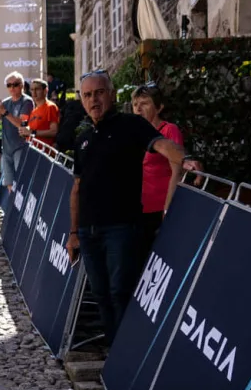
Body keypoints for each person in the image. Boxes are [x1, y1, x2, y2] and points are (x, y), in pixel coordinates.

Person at [65, 71, 185, 346]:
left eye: (99, 92)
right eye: (87, 95)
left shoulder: (131, 125)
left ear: (112, 94)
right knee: (100, 293)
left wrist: (185, 159)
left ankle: (127, 352)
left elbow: (163, 146)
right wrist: (73, 232)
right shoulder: (83, 139)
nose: (94, 100)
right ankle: (113, 350)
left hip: (121, 227)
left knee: (121, 291)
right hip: (87, 230)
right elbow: (76, 189)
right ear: (82, 101)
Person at [130, 84, 187, 250]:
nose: (138, 109)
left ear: (159, 107)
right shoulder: (134, 134)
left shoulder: (169, 130)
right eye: (135, 104)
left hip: (159, 208)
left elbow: (177, 172)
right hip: (137, 209)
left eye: (145, 103)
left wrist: (168, 212)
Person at [0, 72, 34, 189]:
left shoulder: (27, 101)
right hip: (6, 147)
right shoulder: (5, 102)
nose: (12, 88)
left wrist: (5, 113)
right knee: (9, 182)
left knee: (21, 179)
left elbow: (21, 124)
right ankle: (11, 205)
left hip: (20, 146)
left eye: (15, 84)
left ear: (22, 85)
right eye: (9, 85)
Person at [28, 80, 62, 146]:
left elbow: (54, 132)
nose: (34, 92)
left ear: (45, 90)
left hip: (45, 152)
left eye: (37, 89)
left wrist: (33, 132)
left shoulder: (50, 107)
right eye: (32, 89)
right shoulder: (33, 111)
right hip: (32, 151)